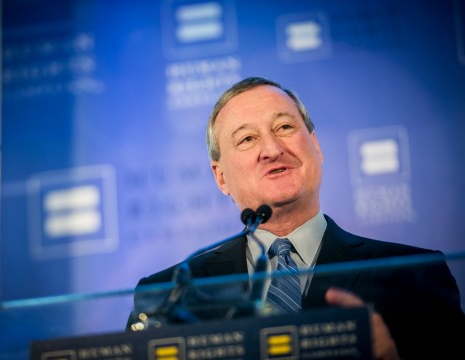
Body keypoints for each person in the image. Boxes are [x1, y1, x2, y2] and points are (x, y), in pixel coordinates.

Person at [127, 77, 465, 359]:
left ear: (316, 146)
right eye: (247, 138)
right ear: (221, 178)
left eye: (285, 126)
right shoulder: (168, 295)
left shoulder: (415, 273)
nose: (273, 150)